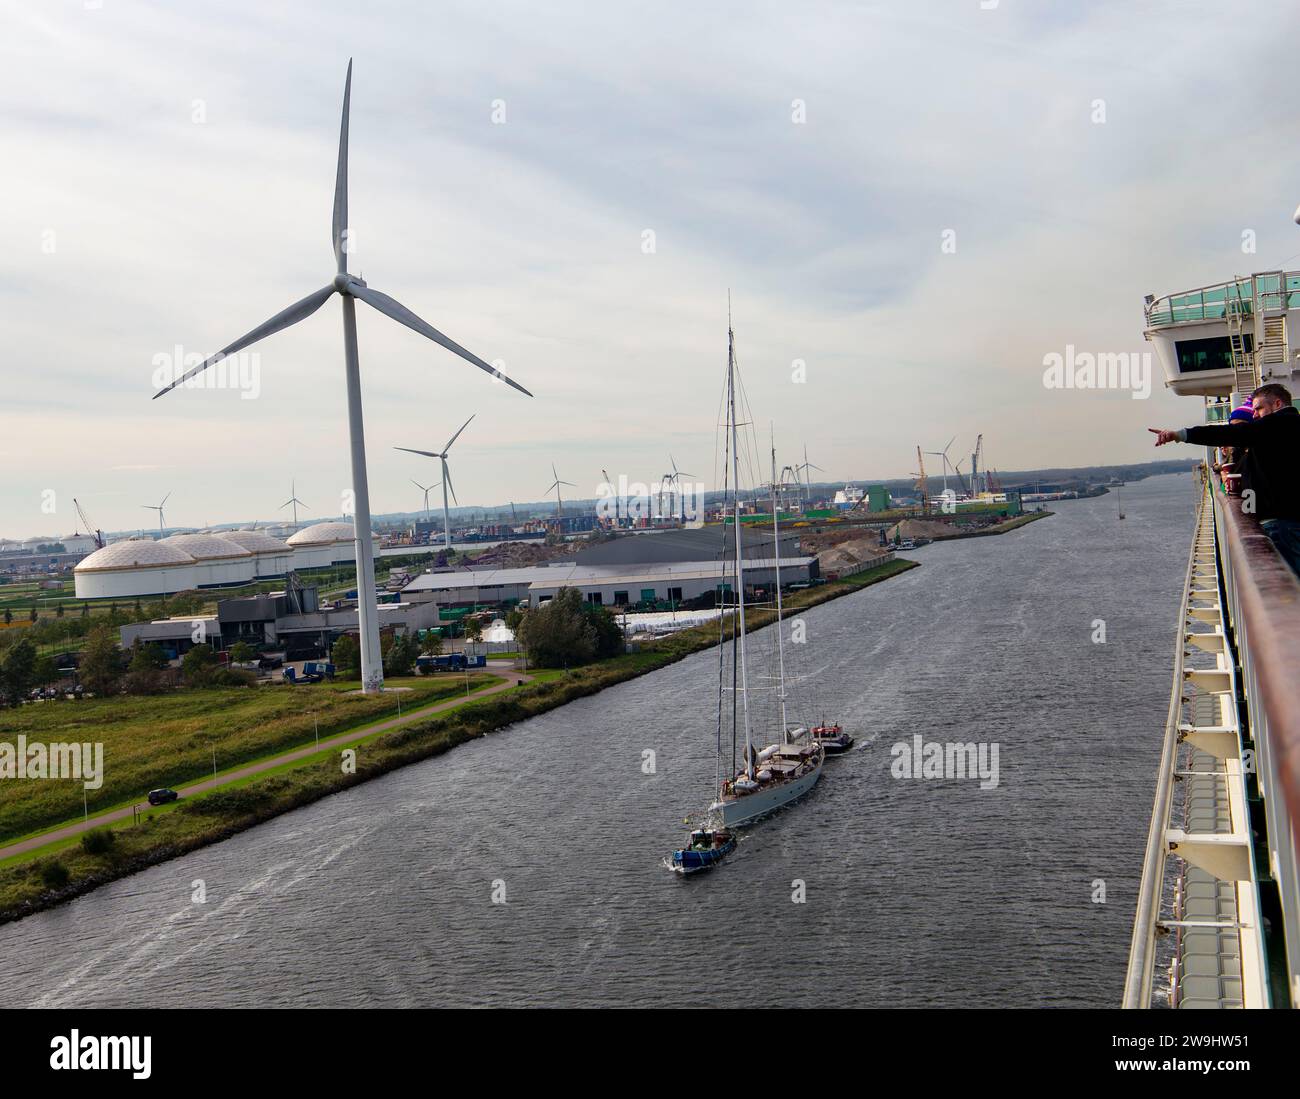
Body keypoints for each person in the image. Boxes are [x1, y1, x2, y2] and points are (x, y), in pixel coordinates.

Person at [1150, 383, 1300, 574]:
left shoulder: (1277, 425)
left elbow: (1228, 433)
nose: (1254, 415)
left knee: (1290, 586)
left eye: (1259, 408)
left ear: (1277, 404)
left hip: (1283, 524)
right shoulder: (1287, 426)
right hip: (1290, 520)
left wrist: (1180, 435)